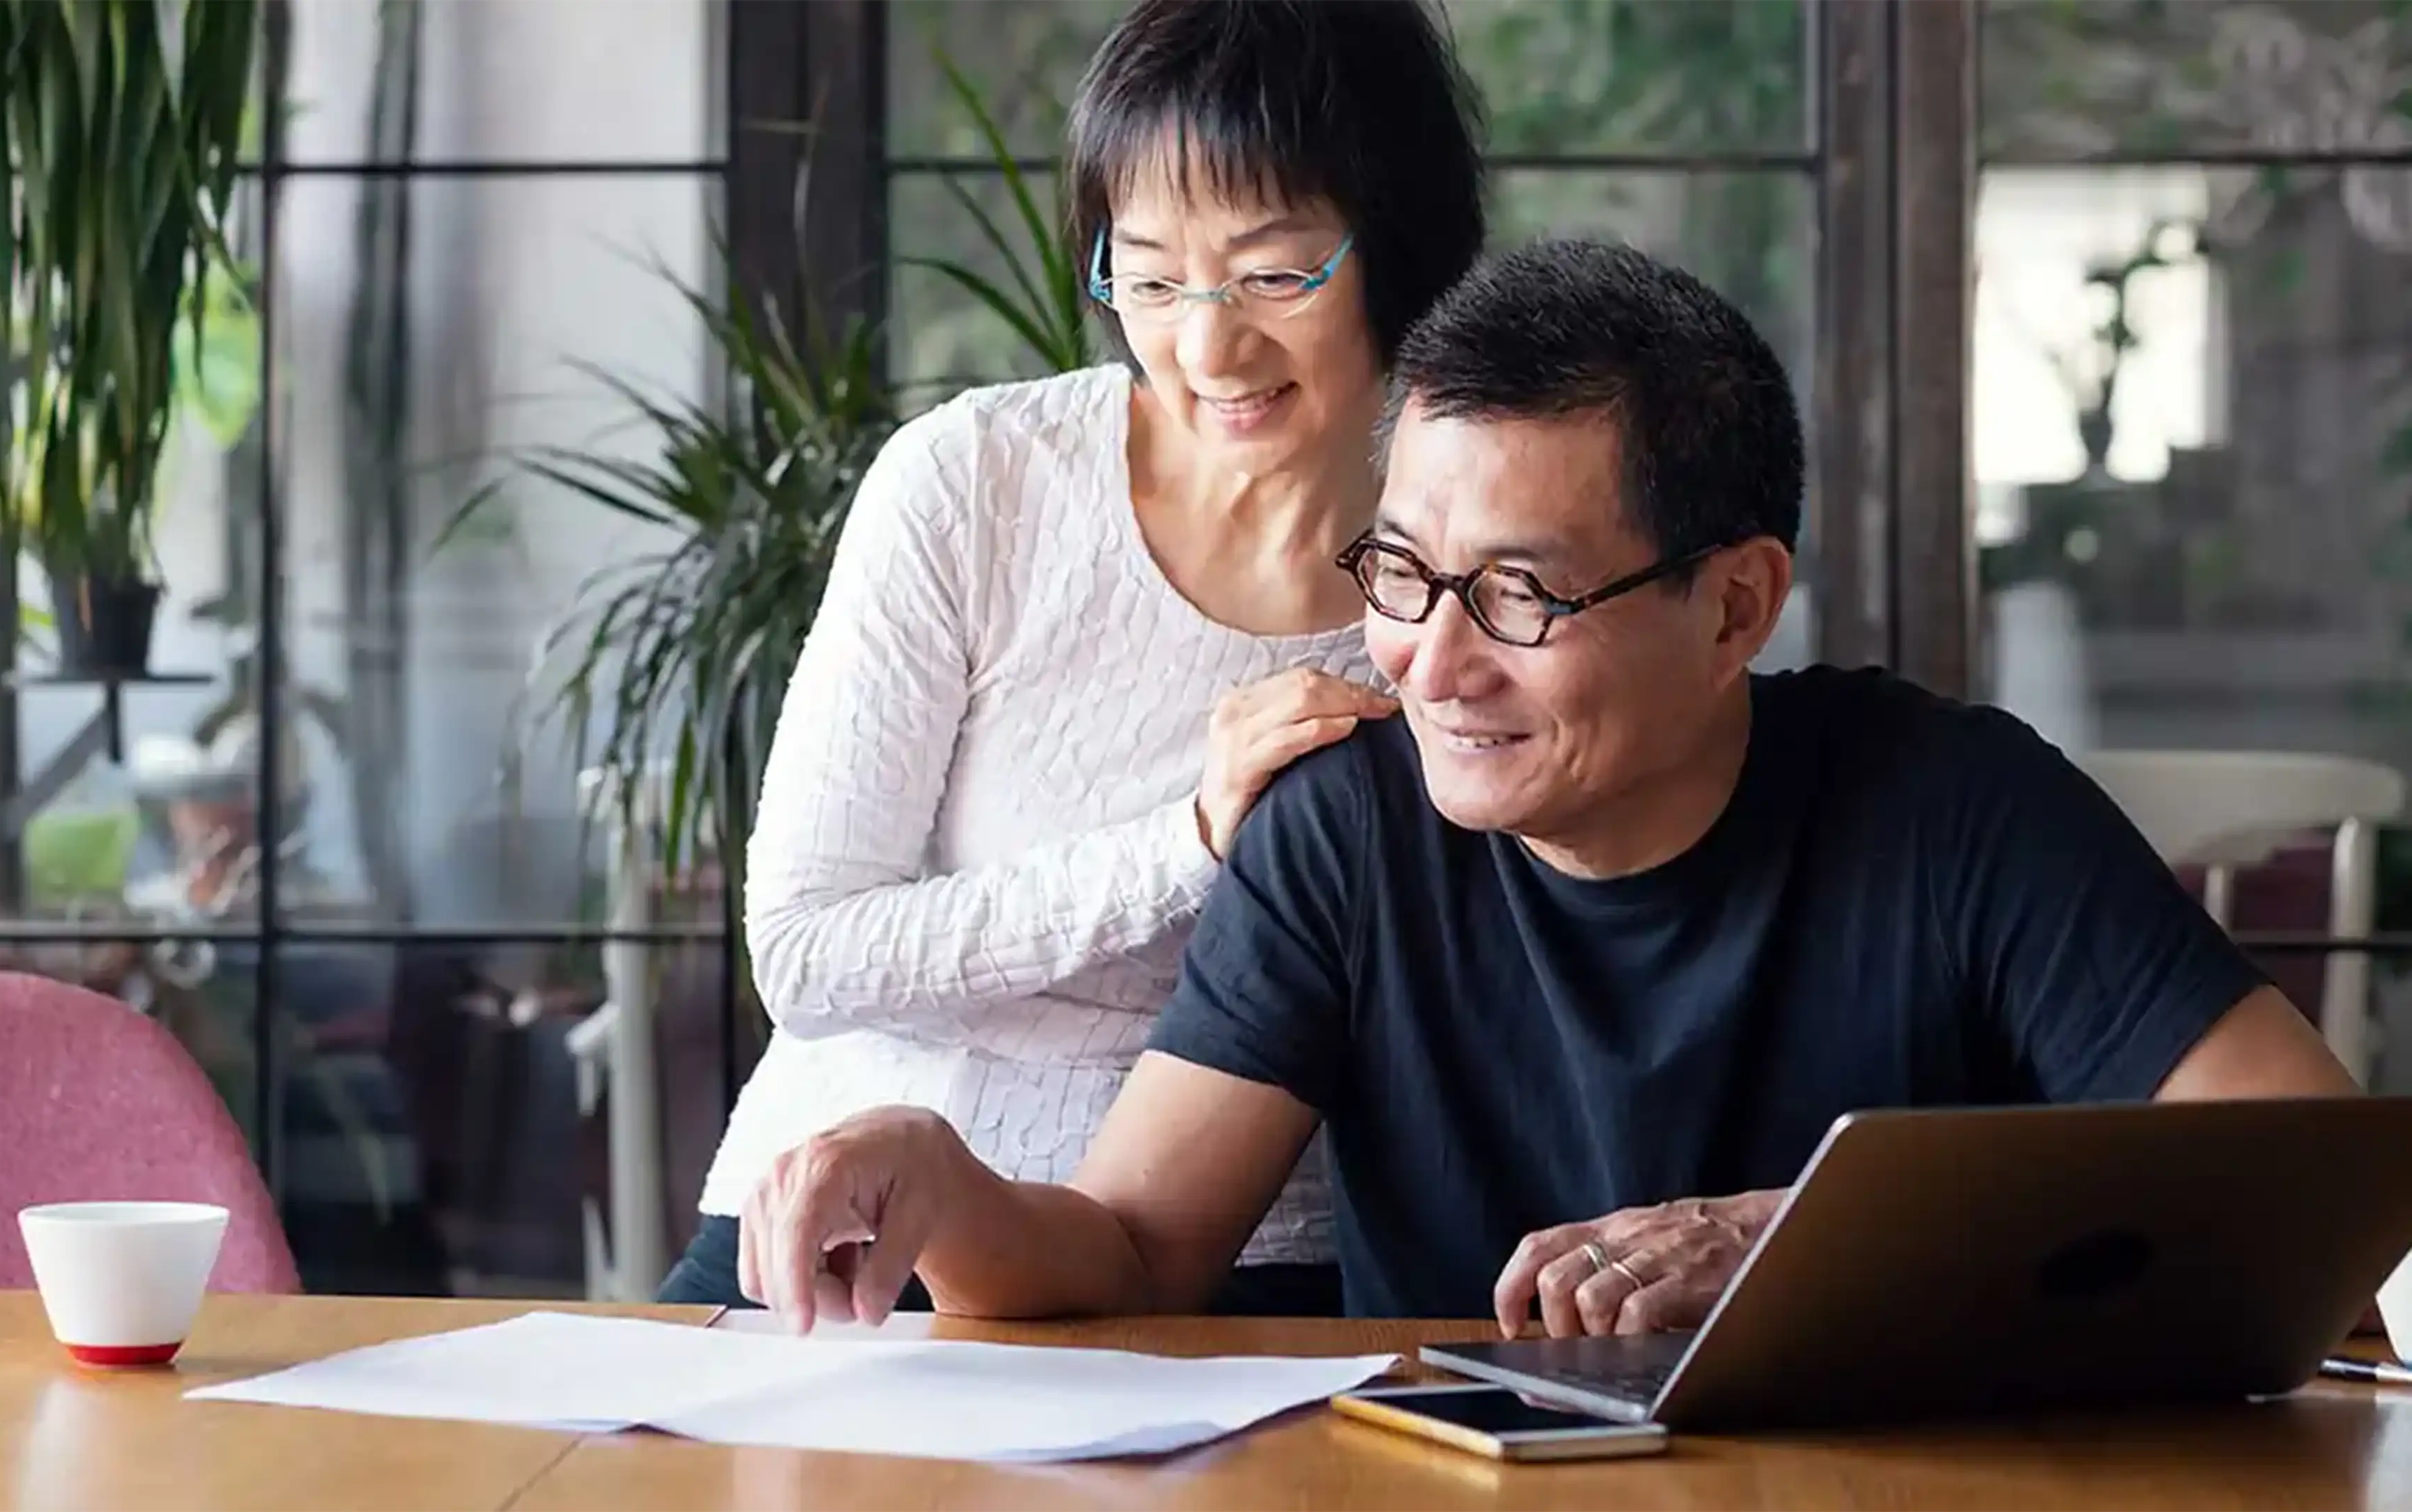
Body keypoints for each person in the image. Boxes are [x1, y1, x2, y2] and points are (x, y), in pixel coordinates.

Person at [733, 239, 2363, 1335]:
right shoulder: (1345, 835)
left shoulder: (1952, 806)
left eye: (1519, 595)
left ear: (1735, 603)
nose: (1430, 664)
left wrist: (1798, 1244)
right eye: (1400, 573)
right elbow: (1139, 1251)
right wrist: (945, 1185)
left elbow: (2310, 1186)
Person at [654, 0, 1491, 1316]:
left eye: (1273, 273)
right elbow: (807, 950)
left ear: (1395, 247)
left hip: (1240, 1259)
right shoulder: (980, 480)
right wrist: (1190, 840)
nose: (1206, 346)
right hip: (852, 1221)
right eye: (1150, 277)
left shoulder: (1467, 567)